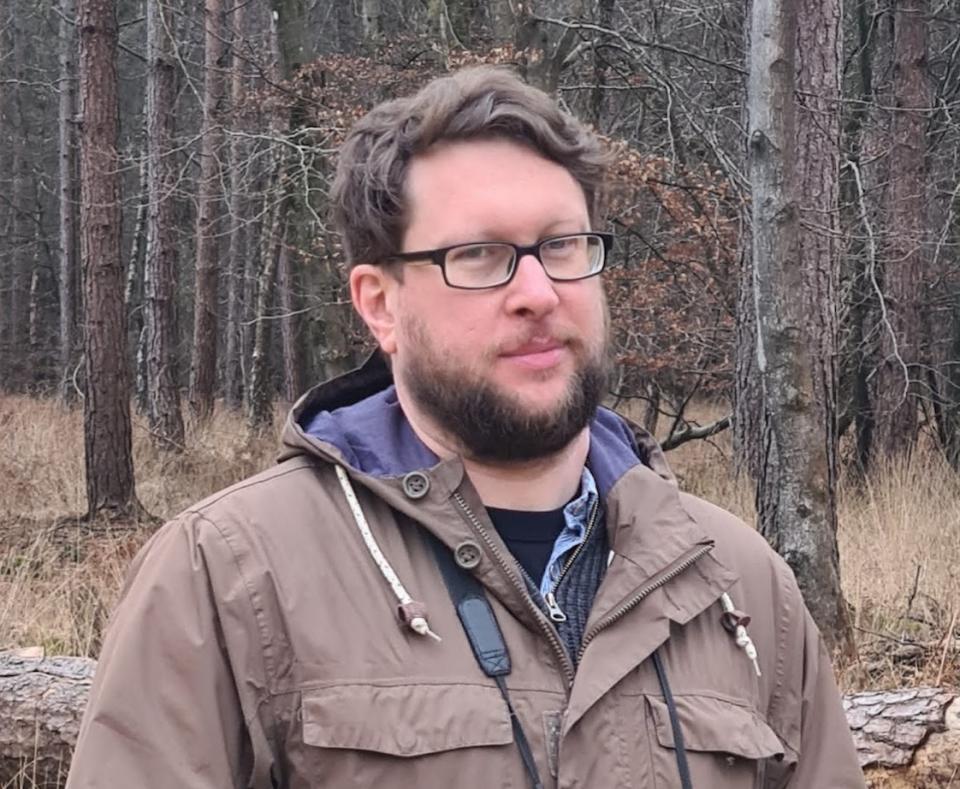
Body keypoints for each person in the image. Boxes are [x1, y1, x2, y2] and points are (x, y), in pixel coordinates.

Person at [66, 66, 865, 789]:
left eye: (561, 246)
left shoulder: (742, 586)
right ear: (380, 303)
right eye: (480, 255)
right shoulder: (229, 576)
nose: (537, 291)